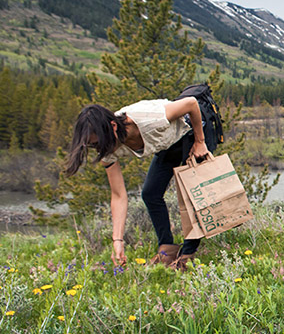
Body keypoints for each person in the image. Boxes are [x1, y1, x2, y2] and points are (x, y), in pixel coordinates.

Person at [65, 97, 211, 269]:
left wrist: (200, 142)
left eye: (98, 143)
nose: (99, 149)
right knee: (150, 193)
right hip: (168, 143)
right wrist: (117, 240)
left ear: (113, 127)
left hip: (194, 127)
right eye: (92, 146)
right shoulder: (106, 149)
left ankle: (187, 256)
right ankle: (167, 250)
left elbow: (191, 104)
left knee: (191, 194)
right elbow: (118, 195)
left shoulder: (150, 119)